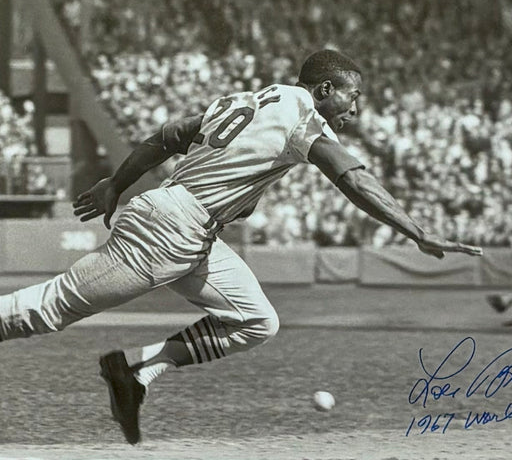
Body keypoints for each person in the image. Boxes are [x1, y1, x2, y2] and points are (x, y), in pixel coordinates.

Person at [0, 49, 483, 445]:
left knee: (257, 321)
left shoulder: (248, 98)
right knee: (52, 307)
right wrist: (415, 231)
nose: (355, 109)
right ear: (324, 90)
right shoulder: (304, 118)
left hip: (190, 230)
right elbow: (353, 180)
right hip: (169, 229)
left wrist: (116, 184)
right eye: (352, 96)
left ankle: (134, 371)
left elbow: (169, 136)